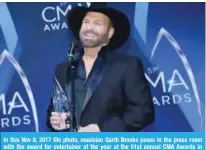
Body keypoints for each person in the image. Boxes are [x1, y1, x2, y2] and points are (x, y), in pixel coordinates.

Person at [47, 2, 154, 132]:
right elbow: (54, 108)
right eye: (86, 22)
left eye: (97, 23)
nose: (89, 28)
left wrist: (101, 129)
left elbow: (143, 111)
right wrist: (54, 120)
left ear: (110, 33)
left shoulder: (127, 65)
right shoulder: (63, 69)